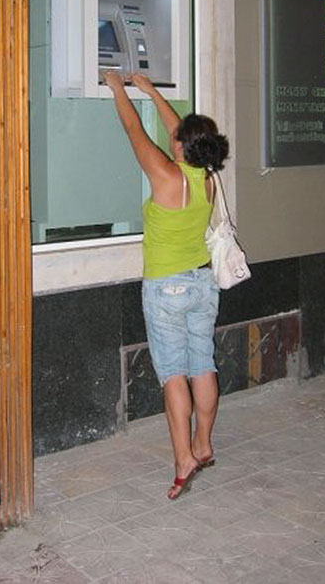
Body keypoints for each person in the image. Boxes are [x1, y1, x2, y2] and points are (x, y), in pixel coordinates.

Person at [104, 70, 229, 500]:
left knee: (174, 375)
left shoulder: (165, 175)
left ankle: (183, 459)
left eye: (177, 137)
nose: (172, 138)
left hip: (167, 290)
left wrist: (119, 89)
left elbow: (133, 129)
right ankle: (204, 444)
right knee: (202, 366)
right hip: (202, 283)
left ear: (181, 146)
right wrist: (151, 91)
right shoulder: (206, 179)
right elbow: (180, 132)